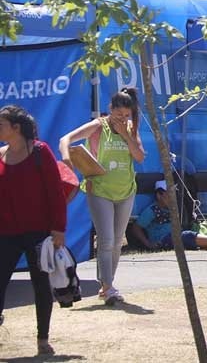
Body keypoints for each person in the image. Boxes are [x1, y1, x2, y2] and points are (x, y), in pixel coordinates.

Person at [59, 87, 145, 305]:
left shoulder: (131, 129)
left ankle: (107, 284)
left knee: (117, 242)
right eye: (119, 115)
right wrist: (68, 160)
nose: (122, 119)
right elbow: (65, 139)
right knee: (105, 240)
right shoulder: (99, 126)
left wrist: (127, 135)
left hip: (125, 190)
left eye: (127, 115)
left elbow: (140, 157)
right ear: (110, 110)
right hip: (100, 190)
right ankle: (107, 287)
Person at [0, 105, 66, 355]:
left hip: (38, 232)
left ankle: (42, 339)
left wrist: (58, 229)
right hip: (5, 232)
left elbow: (55, 193)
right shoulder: (0, 154)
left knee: (40, 284)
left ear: (16, 128)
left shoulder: (40, 151)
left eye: (1, 124)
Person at [131, 181, 207, 251]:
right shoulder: (152, 210)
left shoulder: (173, 208)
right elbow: (136, 227)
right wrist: (148, 244)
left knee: (187, 237)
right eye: (169, 194)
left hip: (175, 237)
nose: (173, 197)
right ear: (159, 195)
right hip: (162, 240)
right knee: (186, 236)